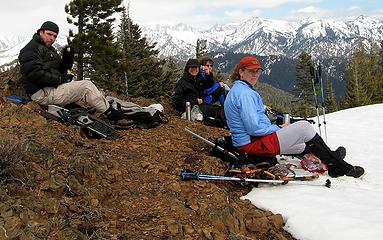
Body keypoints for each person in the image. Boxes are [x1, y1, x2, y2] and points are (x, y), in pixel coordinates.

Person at [224, 56, 364, 178]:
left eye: (257, 71)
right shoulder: (244, 94)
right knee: (304, 127)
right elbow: (254, 128)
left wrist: (277, 127)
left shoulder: (241, 90)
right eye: (250, 71)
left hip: (250, 142)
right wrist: (277, 128)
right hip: (253, 144)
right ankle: (338, 167)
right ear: (241, 72)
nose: (255, 74)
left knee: (300, 145)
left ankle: (330, 156)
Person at [18, 21, 128, 125]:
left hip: (49, 89)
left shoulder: (47, 49)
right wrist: (61, 79)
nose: (52, 38)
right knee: (86, 86)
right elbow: (36, 74)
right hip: (42, 93)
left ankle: (81, 110)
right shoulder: (31, 49)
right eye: (49, 34)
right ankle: (113, 115)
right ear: (40, 32)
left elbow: (57, 69)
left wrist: (67, 60)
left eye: (55, 36)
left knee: (93, 91)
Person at [173, 58, 226, 127]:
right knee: (217, 111)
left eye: (196, 68)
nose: (194, 70)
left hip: (201, 104)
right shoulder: (182, 83)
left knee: (219, 107)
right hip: (192, 107)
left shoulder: (198, 79)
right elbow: (178, 101)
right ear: (187, 69)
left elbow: (209, 85)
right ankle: (228, 124)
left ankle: (226, 115)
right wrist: (195, 101)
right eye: (191, 68)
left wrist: (208, 74)